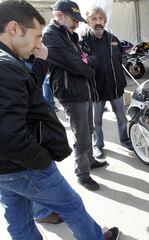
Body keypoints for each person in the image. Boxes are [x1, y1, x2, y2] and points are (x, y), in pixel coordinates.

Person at [0, 1, 120, 239]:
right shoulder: (6, 66)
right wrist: (42, 161)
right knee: (72, 206)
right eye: (36, 36)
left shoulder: (10, 61)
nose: (38, 44)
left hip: (7, 169)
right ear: (14, 28)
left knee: (19, 219)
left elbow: (26, 89)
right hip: (25, 166)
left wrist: (44, 61)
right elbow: (8, 136)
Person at [42, 0, 108, 191]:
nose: (78, 24)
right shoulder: (52, 35)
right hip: (71, 93)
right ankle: (82, 174)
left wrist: (86, 63)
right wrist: (87, 65)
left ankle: (90, 161)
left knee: (89, 128)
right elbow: (80, 65)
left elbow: (86, 59)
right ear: (59, 15)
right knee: (82, 136)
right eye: (74, 19)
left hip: (82, 88)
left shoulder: (68, 34)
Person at [81, 5, 132, 159]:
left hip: (116, 87)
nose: (98, 22)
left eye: (100, 18)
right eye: (94, 19)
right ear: (88, 21)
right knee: (96, 122)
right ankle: (98, 146)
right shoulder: (84, 42)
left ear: (105, 21)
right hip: (96, 90)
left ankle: (124, 139)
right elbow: (82, 64)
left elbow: (122, 58)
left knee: (122, 118)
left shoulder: (113, 39)